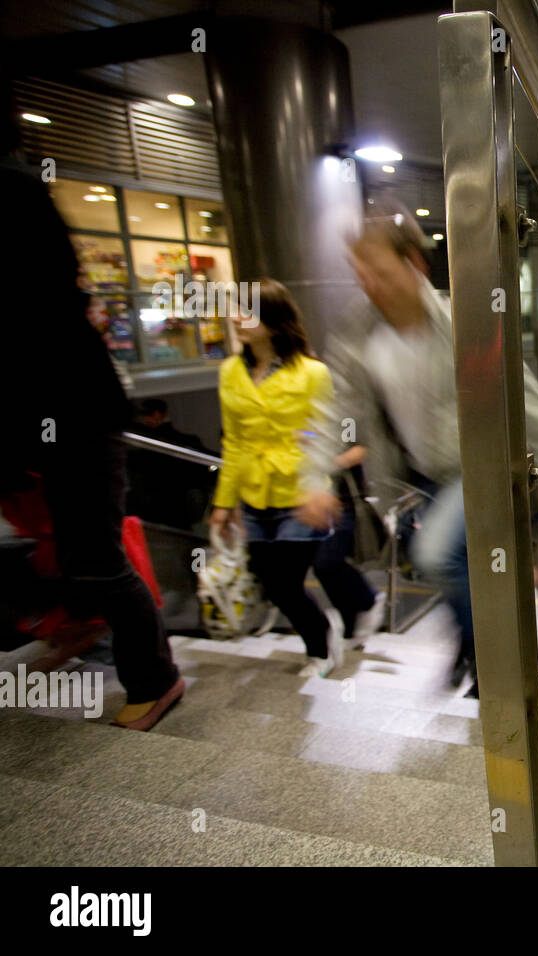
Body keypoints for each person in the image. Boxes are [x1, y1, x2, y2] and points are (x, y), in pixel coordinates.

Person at [297, 203, 538, 695]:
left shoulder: (461, 320)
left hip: (477, 466)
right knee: (466, 566)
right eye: (360, 273)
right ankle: (479, 645)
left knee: (437, 553)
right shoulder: (358, 332)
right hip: (421, 476)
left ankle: (487, 654)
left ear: (414, 264)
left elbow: (524, 399)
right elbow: (337, 411)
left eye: (378, 271)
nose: (369, 284)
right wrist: (313, 477)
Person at [1, 162, 182, 731]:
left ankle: (153, 678)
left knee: (96, 558)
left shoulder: (15, 193)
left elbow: (46, 300)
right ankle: (74, 614)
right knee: (68, 555)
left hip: (74, 412)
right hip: (31, 420)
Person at [209, 280, 342, 677]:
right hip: (253, 492)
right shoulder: (231, 371)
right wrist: (222, 502)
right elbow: (232, 440)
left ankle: (319, 648)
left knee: (285, 583)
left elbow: (326, 434)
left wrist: (316, 483)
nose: (236, 317)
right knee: (270, 581)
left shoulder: (312, 372)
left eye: (246, 310)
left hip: (299, 493)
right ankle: (319, 636)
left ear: (273, 320)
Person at [309, 446, 386, 652]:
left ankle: (368, 598)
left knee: (327, 562)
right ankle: (351, 628)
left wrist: (324, 461)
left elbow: (358, 449)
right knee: (322, 567)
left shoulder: (345, 419)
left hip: (343, 503)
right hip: (313, 503)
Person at [125, 398, 217, 530]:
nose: (145, 419)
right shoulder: (184, 441)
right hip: (178, 506)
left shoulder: (145, 444)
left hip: (155, 507)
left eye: (147, 415)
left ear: (157, 414)